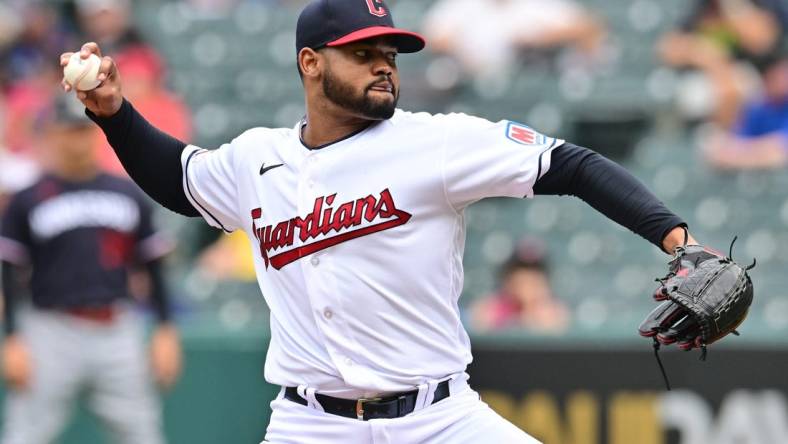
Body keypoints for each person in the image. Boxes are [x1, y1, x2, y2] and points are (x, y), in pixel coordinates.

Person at [62, 0, 707, 442]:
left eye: (391, 53)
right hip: (310, 424)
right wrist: (114, 112)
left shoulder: (437, 141)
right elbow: (178, 179)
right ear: (309, 63)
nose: (384, 64)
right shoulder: (257, 158)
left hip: (440, 419)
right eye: (362, 52)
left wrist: (680, 241)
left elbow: (572, 165)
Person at [0, 94, 181, 444]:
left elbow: (154, 264)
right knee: (22, 436)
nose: (76, 139)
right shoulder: (29, 198)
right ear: (51, 134)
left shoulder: (127, 193)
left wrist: (165, 330)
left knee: (143, 435)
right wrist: (12, 339)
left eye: (83, 130)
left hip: (117, 329)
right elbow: (8, 270)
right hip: (50, 329)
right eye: (68, 130)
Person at [658, 0, 788, 127]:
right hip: (704, 76)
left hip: (755, 75)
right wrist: (708, 57)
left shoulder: (764, 3)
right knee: (696, 94)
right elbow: (668, 48)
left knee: (731, 88)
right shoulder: (701, 5)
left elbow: (760, 41)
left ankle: (731, 142)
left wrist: (732, 5)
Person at [423, 0, 605, 77]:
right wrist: (464, 52)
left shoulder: (540, 5)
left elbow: (588, 27)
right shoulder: (462, 5)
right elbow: (434, 38)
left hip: (532, 73)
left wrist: (539, 38)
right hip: (471, 76)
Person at [704, 49, 788, 169]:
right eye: (781, 75)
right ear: (767, 78)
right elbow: (730, 147)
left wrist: (747, 154)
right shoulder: (757, 108)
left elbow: (781, 151)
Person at [471, 238, 568, 333]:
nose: (527, 287)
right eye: (521, 280)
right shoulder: (491, 308)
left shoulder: (554, 311)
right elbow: (479, 325)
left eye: (533, 280)